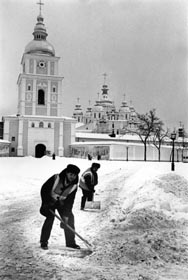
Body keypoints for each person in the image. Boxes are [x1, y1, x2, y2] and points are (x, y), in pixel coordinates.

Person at [39, 164, 80, 250]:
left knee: (70, 218)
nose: (72, 177)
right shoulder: (56, 178)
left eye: (74, 175)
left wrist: (65, 216)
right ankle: (44, 241)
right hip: (49, 202)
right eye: (71, 174)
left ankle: (70, 243)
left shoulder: (74, 186)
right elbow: (44, 189)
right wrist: (45, 203)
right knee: (50, 218)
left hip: (62, 203)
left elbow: (70, 202)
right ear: (66, 173)